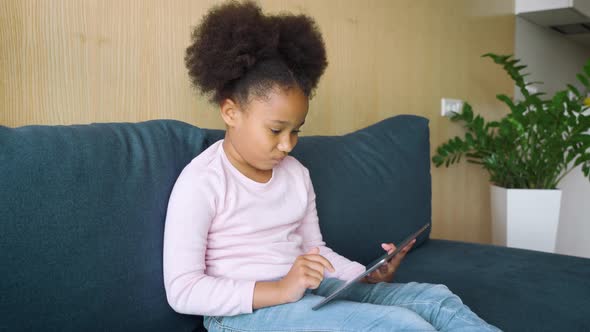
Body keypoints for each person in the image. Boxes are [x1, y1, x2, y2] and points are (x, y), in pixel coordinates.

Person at [163, 1, 501, 331]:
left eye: (296, 131)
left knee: (436, 301)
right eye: (275, 130)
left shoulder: (296, 174)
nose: (287, 144)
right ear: (230, 112)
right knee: (400, 325)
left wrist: (365, 275)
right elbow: (183, 290)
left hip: (305, 291)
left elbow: (315, 251)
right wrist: (280, 290)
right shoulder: (202, 181)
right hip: (240, 313)